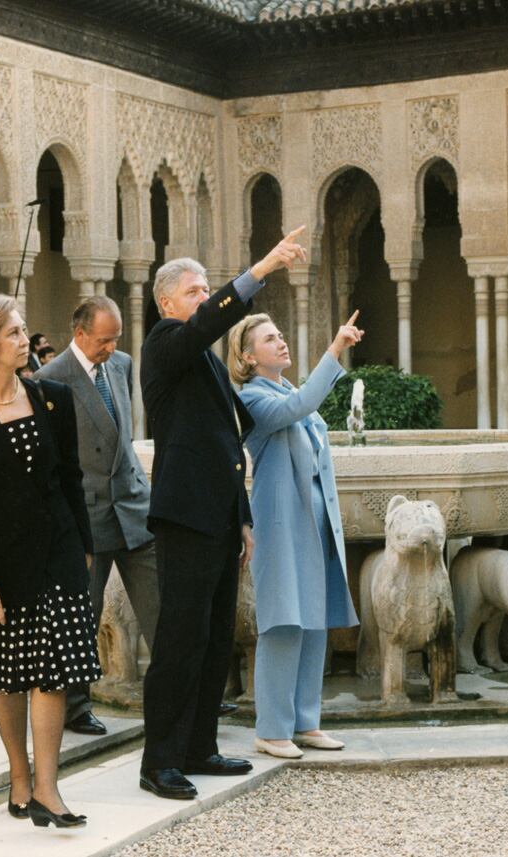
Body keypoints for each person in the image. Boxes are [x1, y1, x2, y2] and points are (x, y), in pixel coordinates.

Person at [138, 225, 309, 801]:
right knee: (180, 640)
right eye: (195, 291)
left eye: (208, 289)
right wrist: (261, 269)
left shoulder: (206, 364)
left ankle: (198, 747)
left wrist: (243, 519)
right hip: (184, 518)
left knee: (214, 639)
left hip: (218, 519)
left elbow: (230, 440)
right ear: (168, 302)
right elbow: (211, 323)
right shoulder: (164, 343)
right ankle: (158, 760)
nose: (205, 299)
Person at [0, 294, 99, 829]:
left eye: (23, 330)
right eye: (12, 332)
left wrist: (85, 546)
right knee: (7, 675)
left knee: (52, 672)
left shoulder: (53, 397)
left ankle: (49, 787)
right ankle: (19, 775)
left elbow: (71, 478)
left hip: (58, 554)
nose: (24, 339)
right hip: (1, 566)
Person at [230, 311, 363, 759]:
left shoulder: (285, 389)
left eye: (281, 334)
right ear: (248, 356)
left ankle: (306, 722)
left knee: (314, 621)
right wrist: (335, 348)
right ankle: (271, 729)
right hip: (280, 524)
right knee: (283, 622)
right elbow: (299, 408)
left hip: (315, 522)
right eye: (270, 339)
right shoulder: (252, 398)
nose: (282, 342)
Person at [36, 296, 161, 737]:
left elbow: (121, 438)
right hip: (85, 516)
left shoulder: (122, 365)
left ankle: (178, 694)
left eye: (116, 339)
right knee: (80, 615)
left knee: (162, 606)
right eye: (104, 340)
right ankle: (75, 705)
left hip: (133, 505)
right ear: (80, 334)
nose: (111, 347)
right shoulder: (49, 379)